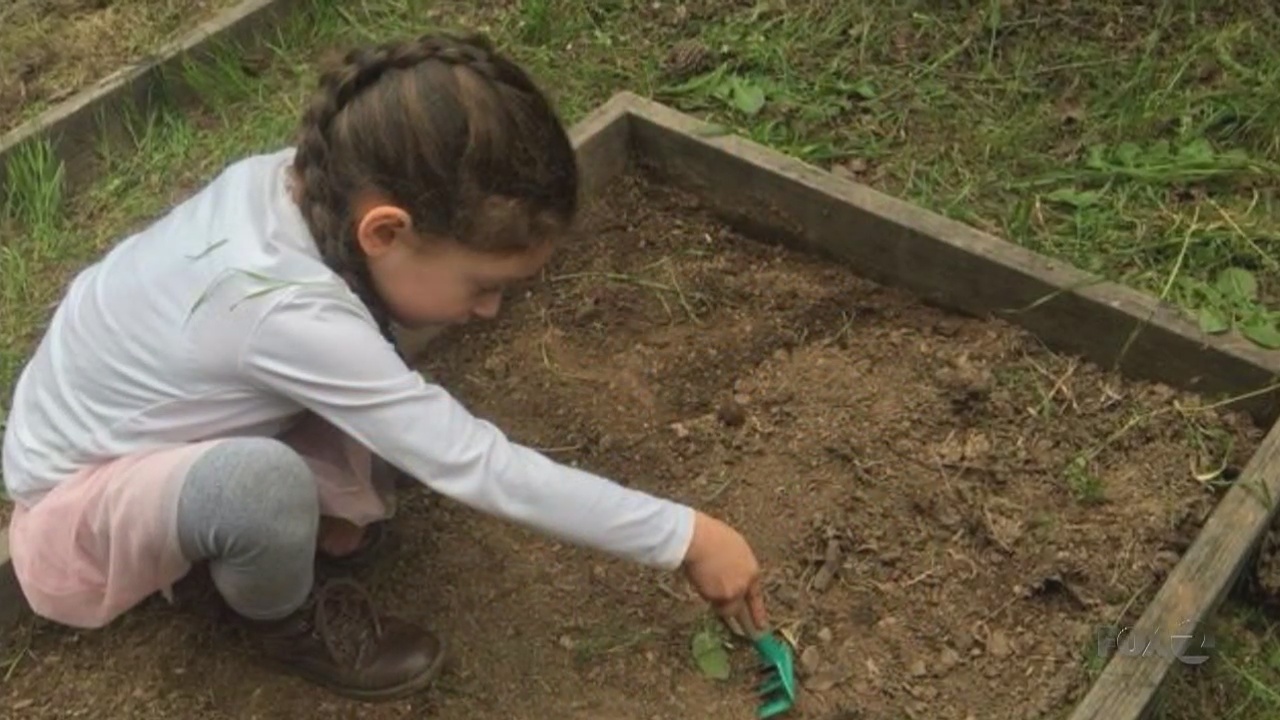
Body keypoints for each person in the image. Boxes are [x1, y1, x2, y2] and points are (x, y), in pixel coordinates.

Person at [0, 32, 769, 701]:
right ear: (386, 230)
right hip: (80, 495)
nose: (491, 311)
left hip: (129, 415)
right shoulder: (282, 311)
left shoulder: (300, 185)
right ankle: (283, 620)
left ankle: (289, 524)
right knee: (261, 488)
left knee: (375, 364)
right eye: (484, 286)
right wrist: (685, 536)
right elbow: (478, 465)